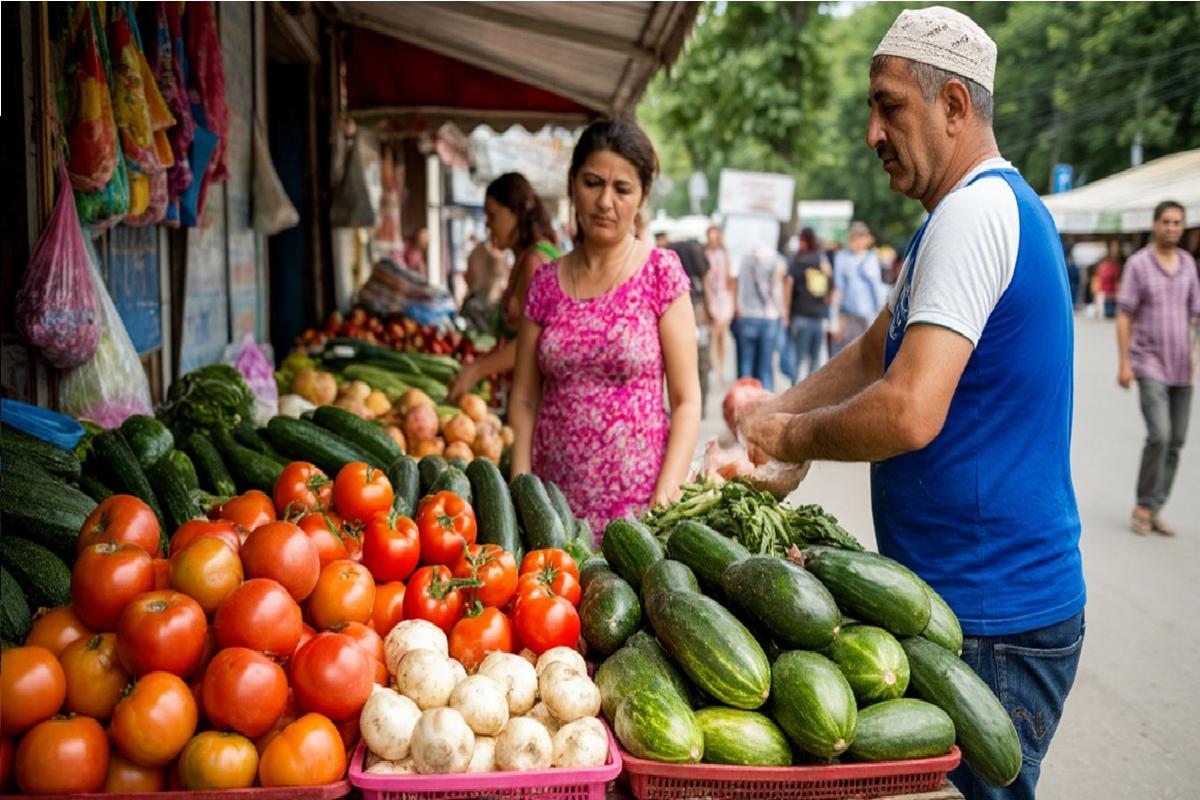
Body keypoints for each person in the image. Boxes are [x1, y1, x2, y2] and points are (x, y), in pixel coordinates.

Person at [739, 8, 1084, 798]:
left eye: (889, 106)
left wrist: (792, 435)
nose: (872, 132)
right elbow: (874, 351)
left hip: (992, 617)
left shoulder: (973, 214)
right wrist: (769, 421)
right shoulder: (955, 217)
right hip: (970, 605)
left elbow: (906, 411)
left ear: (954, 105)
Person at [509, 119, 701, 538]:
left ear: (643, 196)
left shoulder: (660, 273)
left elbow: (687, 401)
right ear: (572, 184)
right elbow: (523, 398)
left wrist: (666, 498)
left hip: (640, 514)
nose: (604, 202)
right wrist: (521, 489)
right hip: (551, 510)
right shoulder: (544, 283)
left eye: (622, 189)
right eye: (592, 183)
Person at [1116, 200, 1200, 537]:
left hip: (1182, 366)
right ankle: (1142, 505)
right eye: (1166, 222)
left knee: (1176, 440)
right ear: (1155, 225)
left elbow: (1195, 314)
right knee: (1160, 434)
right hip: (1148, 361)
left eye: (1177, 222)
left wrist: (1195, 352)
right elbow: (1124, 314)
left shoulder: (1188, 265)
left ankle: (1154, 507)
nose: (1171, 228)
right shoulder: (1138, 264)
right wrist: (1125, 363)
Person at [446, 174, 559, 402]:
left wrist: (476, 370)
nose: (487, 225)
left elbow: (532, 342)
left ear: (516, 212)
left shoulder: (534, 261)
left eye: (492, 215)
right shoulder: (526, 257)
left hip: (533, 401)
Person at [733, 245, 787, 391]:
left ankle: (744, 401)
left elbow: (737, 282)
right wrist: (781, 311)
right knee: (765, 368)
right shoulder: (776, 259)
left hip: (747, 315)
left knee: (745, 367)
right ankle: (766, 401)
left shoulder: (744, 257)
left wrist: (738, 306)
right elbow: (776, 287)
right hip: (768, 317)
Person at [829, 220, 885, 356]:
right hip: (847, 314)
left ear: (865, 239)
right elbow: (838, 288)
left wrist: (881, 318)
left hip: (869, 315)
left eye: (859, 238)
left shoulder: (871, 258)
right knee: (844, 354)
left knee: (868, 356)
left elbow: (877, 289)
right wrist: (834, 320)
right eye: (852, 238)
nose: (855, 242)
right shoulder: (841, 257)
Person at [783, 227, 832, 381]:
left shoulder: (797, 261)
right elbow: (830, 287)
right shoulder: (821, 260)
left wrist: (786, 314)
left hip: (800, 315)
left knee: (798, 360)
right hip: (818, 316)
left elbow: (788, 286)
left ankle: (796, 392)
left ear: (804, 241)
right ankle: (812, 393)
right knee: (815, 361)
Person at [703, 225, 736, 381]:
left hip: (723, 297)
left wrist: (732, 300)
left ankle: (720, 367)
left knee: (721, 335)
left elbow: (729, 278)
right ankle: (714, 365)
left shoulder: (724, 255)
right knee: (713, 334)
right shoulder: (705, 255)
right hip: (711, 297)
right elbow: (706, 280)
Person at [1094, 241, 1122, 318]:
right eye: (1113, 247)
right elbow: (1097, 279)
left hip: (1113, 293)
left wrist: (1118, 292)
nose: (1115, 250)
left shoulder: (1117, 265)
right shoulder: (1102, 265)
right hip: (1103, 292)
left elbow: (1118, 282)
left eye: (1116, 247)